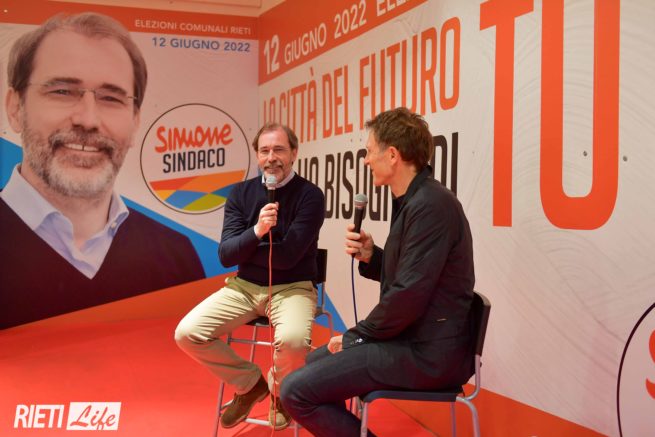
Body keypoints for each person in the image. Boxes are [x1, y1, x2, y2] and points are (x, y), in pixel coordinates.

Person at [0, 12, 205, 329]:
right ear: (16, 108)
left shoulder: (177, 256)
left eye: (111, 98)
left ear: (135, 121)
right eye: (62, 91)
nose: (88, 119)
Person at [280, 107, 476, 436]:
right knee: (313, 366)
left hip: (429, 354)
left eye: (370, 151)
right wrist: (373, 256)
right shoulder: (415, 200)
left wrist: (357, 336)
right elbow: (411, 276)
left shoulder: (431, 205)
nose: (366, 160)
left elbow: (408, 294)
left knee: (294, 391)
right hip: (413, 341)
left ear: (393, 155)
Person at [175, 122, 325, 430]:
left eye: (279, 149)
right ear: (257, 155)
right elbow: (226, 255)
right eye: (265, 150)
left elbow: (287, 257)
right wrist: (257, 230)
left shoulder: (310, 196)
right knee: (187, 333)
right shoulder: (241, 193)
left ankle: (281, 394)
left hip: (292, 287)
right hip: (244, 288)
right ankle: (250, 383)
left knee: (294, 341)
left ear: (294, 153)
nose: (272, 158)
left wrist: (246, 246)